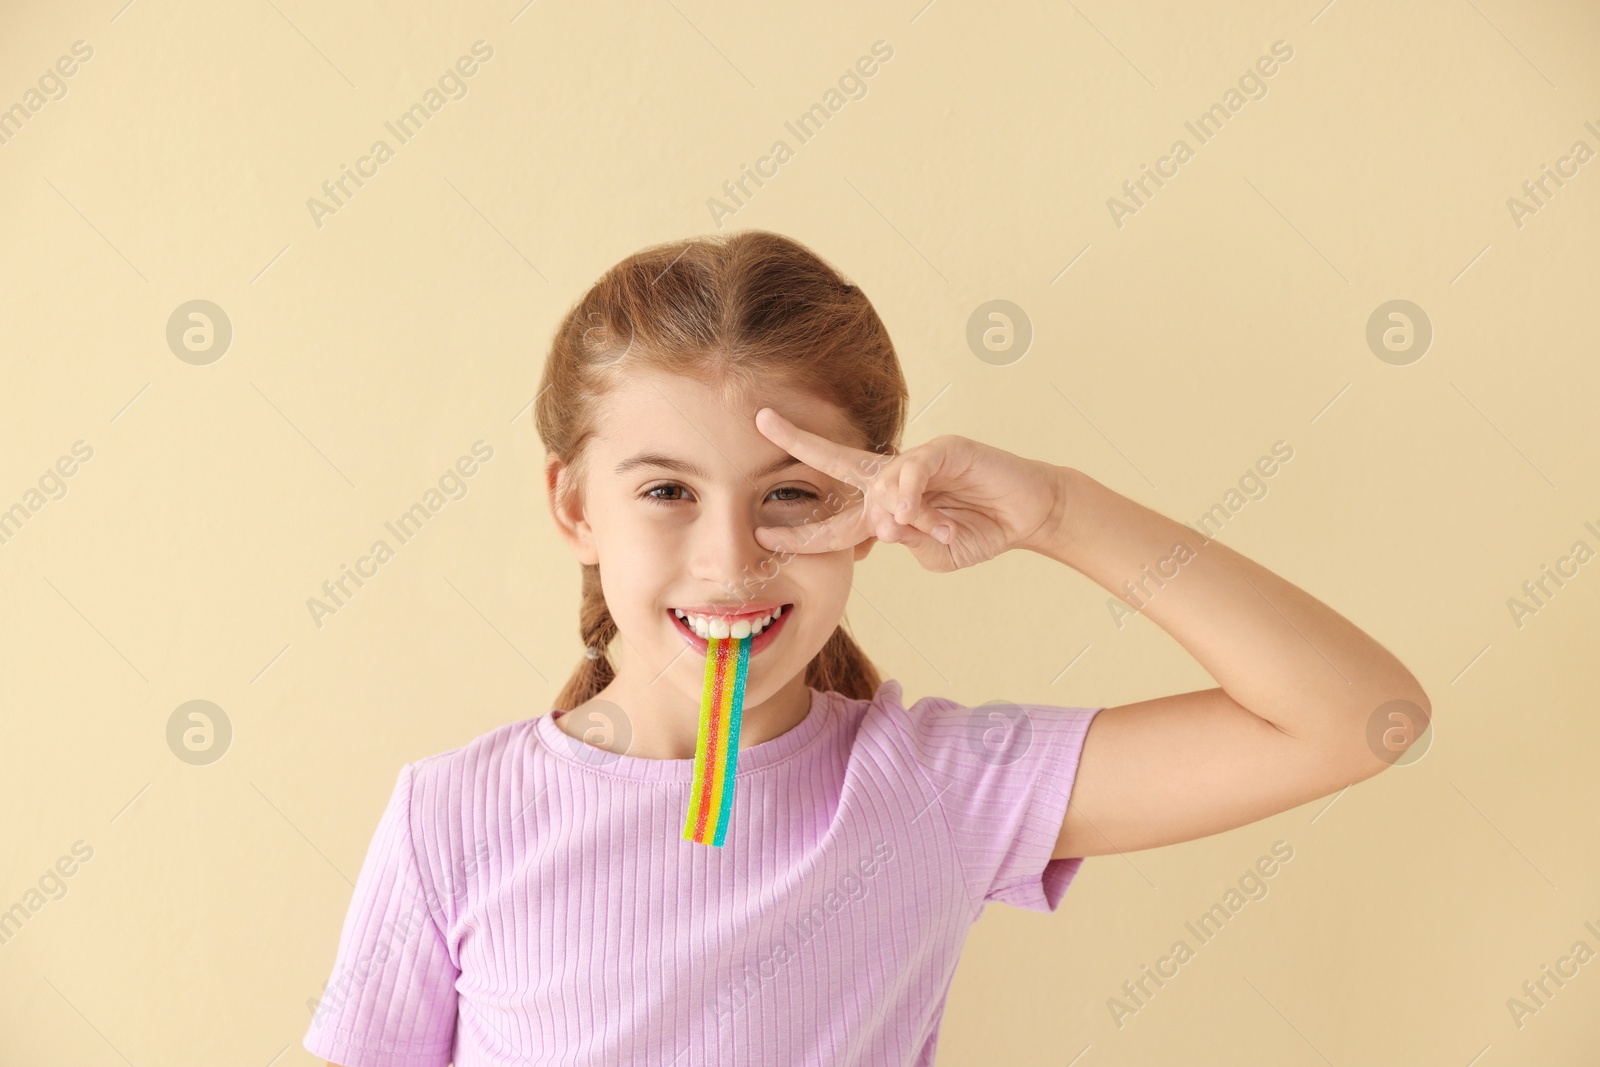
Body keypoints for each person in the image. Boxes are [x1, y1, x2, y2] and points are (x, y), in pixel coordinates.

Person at [304, 230, 1430, 1066]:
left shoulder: (931, 787)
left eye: (792, 493)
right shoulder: (447, 817)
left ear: (875, 505)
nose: (732, 554)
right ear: (574, 507)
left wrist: (1057, 513)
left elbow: (1358, 717)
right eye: (664, 490)